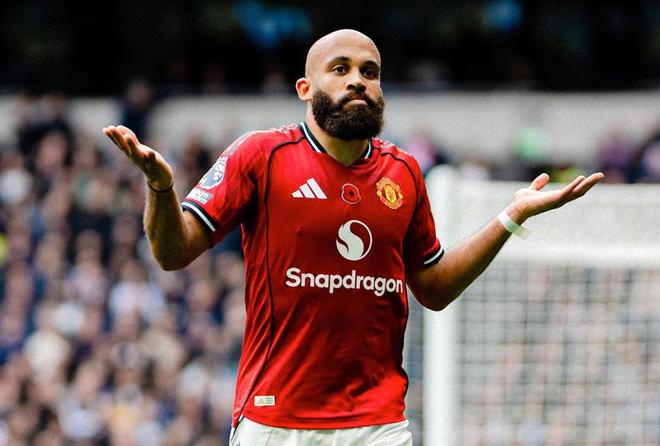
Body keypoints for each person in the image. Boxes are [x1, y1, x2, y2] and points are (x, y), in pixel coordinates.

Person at [103, 29, 603, 446]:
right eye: (340, 69)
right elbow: (172, 253)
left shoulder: (403, 172)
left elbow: (433, 287)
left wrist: (510, 218)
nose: (357, 80)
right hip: (276, 421)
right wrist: (161, 188)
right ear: (305, 88)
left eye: (370, 72)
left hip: (378, 424)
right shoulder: (260, 155)